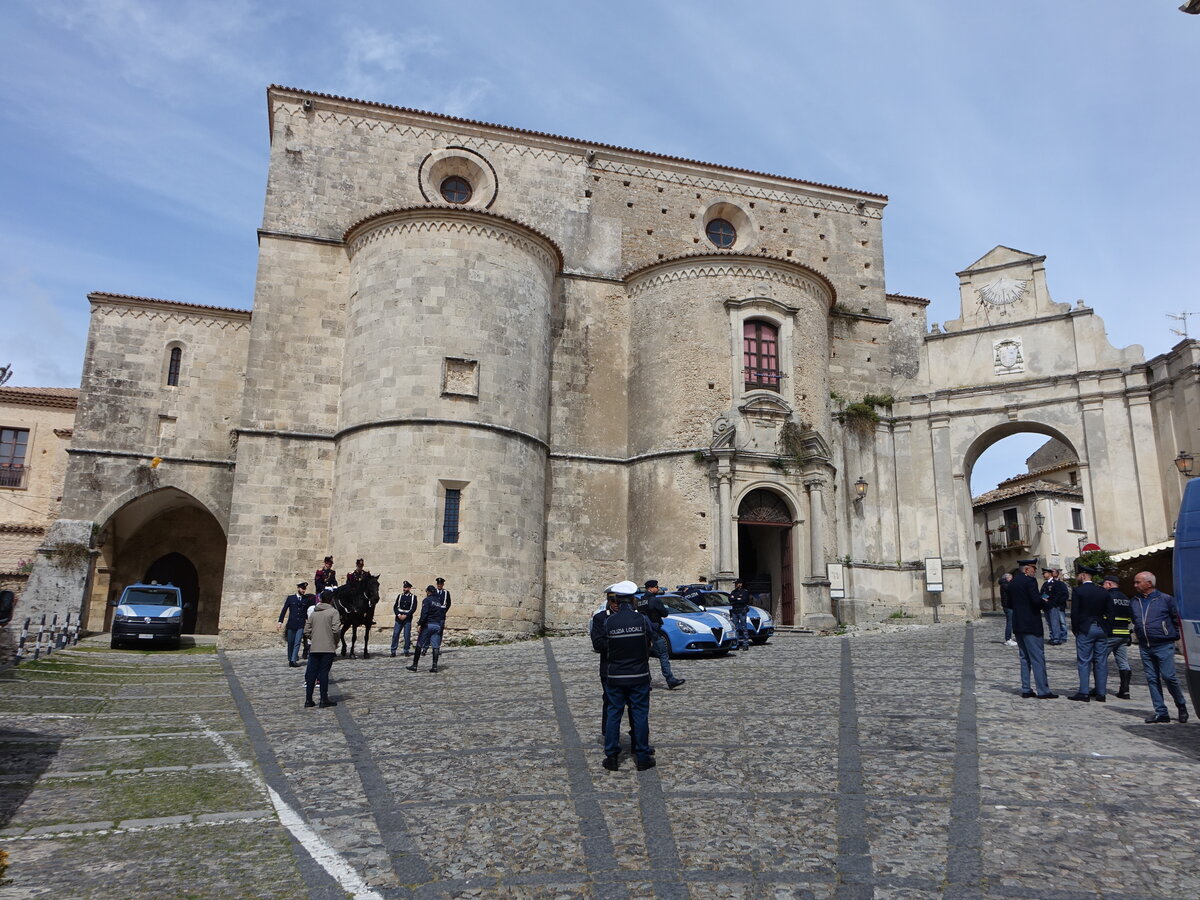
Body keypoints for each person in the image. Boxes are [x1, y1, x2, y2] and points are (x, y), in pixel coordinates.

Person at [597, 580, 656, 771]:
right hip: (638, 674)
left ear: (617, 600)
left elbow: (605, 646)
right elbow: (650, 639)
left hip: (615, 676)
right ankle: (642, 755)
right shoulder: (642, 620)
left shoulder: (609, 622)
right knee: (639, 714)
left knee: (614, 714)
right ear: (632, 600)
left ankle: (612, 756)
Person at [1129, 571, 1190, 724]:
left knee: (1169, 677)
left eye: (1138, 582)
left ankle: (1181, 705)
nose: (1135, 585)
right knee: (1151, 679)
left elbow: (1176, 619)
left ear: (1149, 583)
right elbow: (1135, 619)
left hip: (1163, 644)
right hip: (1145, 645)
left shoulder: (1166, 599)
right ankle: (1161, 711)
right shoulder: (1135, 601)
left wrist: (1172, 635)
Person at [1010, 558, 1057, 699]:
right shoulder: (1029, 581)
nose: (1035, 571)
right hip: (1031, 624)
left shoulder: (1012, 582)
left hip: (1018, 623)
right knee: (1037, 658)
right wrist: (1045, 602)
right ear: (1026, 569)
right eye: (1033, 568)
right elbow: (1035, 601)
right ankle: (1043, 690)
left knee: (1024, 657)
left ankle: (1026, 688)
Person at [1067, 565, 1114, 702]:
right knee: (1101, 661)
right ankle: (1101, 692)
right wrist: (1107, 628)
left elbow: (1074, 612)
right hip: (1101, 627)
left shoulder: (1078, 591)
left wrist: (1075, 629)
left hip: (1085, 627)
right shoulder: (1103, 591)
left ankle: (1084, 692)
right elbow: (1110, 612)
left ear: (1083, 575)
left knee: (1084, 660)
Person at [638, 580, 685, 689]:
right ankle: (670, 679)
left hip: (644, 632)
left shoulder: (640, 601)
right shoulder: (654, 600)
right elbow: (665, 613)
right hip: (655, 632)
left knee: (644, 658)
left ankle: (646, 681)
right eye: (656, 587)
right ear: (650, 588)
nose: (658, 588)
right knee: (663, 655)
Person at [303, 590, 341, 708]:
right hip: (327, 648)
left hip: (314, 647)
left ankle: (308, 700)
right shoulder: (333, 612)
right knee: (324, 673)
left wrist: (314, 638)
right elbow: (336, 630)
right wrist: (334, 641)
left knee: (311, 674)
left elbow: (306, 631)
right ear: (331, 600)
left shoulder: (314, 613)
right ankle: (324, 699)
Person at [1102, 574, 1133, 699]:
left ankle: (1100, 688)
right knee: (1123, 662)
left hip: (1111, 634)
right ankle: (1125, 690)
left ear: (1109, 584)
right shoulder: (1125, 598)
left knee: (1100, 660)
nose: (1102, 587)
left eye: (1103, 584)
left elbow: (1106, 616)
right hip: (1124, 634)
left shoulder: (1108, 596)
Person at [407, 585, 450, 673]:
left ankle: (415, 665)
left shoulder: (427, 600)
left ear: (428, 592)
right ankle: (434, 666)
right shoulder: (438, 602)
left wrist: (420, 624)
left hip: (428, 624)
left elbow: (424, 613)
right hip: (437, 625)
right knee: (435, 646)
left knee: (419, 644)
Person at [277, 581, 310, 667]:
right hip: (291, 624)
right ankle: (290, 658)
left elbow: (306, 612)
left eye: (304, 589)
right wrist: (280, 622)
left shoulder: (306, 599)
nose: (303, 590)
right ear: (298, 588)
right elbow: (284, 610)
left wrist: (309, 621)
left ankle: (293, 660)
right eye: (302, 589)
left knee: (297, 642)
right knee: (291, 642)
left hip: (300, 624)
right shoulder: (291, 598)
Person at [1041, 567, 1069, 645]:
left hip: (1054, 606)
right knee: (1050, 623)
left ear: (1049, 574)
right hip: (1046, 606)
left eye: (1044, 573)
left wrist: (1053, 602)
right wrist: (1044, 599)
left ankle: (1057, 638)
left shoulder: (1057, 583)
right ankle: (1053, 636)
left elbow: (1059, 595)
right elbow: (1042, 593)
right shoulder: (1045, 584)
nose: (1043, 575)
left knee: (1056, 622)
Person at [390, 581, 418, 657]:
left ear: (409, 588)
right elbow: (395, 607)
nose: (404, 589)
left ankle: (406, 650)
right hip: (399, 618)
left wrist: (406, 615)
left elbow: (413, 608)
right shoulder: (400, 596)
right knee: (395, 634)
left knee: (406, 635)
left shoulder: (413, 597)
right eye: (404, 587)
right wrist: (398, 614)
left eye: (406, 587)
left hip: (407, 619)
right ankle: (393, 650)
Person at [728, 578, 754, 651]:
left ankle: (745, 644)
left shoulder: (744, 592)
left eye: (737, 583)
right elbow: (730, 599)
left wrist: (735, 599)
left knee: (744, 628)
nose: (735, 585)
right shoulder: (733, 592)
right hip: (734, 611)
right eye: (735, 584)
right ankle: (736, 644)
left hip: (741, 611)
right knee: (735, 628)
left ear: (740, 584)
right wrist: (737, 599)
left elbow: (744, 600)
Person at [999, 572, 1017, 646]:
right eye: (1011, 578)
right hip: (1008, 606)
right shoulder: (1005, 585)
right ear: (1007, 578)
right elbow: (1012, 590)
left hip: (1009, 605)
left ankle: (1009, 638)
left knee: (1011, 622)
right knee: (1009, 623)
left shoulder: (1005, 584)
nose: (1012, 580)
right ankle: (1008, 638)